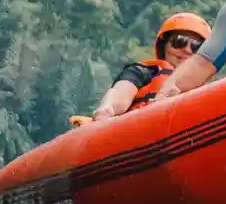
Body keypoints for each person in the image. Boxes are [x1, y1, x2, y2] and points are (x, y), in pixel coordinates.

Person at [70, 12, 210, 127]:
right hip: (139, 132)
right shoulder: (144, 71)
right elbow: (121, 92)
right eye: (179, 41)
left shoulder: (202, 89)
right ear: (164, 45)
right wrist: (107, 109)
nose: (187, 50)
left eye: (196, 46)